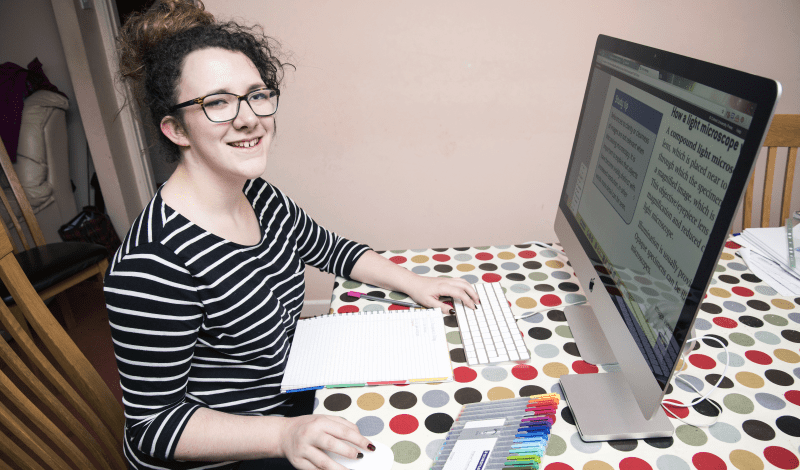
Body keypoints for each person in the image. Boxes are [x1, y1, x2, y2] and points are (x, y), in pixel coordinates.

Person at [106, 1, 480, 468]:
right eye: (217, 102)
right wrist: (284, 434)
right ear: (175, 128)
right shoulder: (154, 262)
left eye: (256, 94)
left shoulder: (258, 196)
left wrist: (415, 283)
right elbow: (154, 427)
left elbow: (333, 250)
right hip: (228, 450)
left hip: (282, 396)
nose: (248, 118)